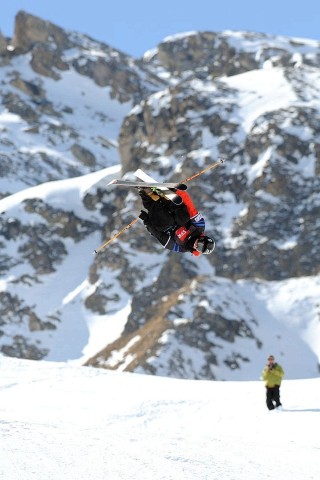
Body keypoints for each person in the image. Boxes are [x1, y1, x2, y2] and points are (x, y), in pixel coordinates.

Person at [138, 187, 215, 256]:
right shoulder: (199, 226)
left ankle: (147, 194)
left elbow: (159, 236)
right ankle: (166, 196)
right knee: (183, 219)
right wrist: (178, 192)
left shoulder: (181, 247)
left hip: (164, 221)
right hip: (172, 208)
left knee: (166, 223)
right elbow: (190, 207)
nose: (196, 246)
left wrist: (146, 221)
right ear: (202, 238)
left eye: (199, 249)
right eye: (200, 245)